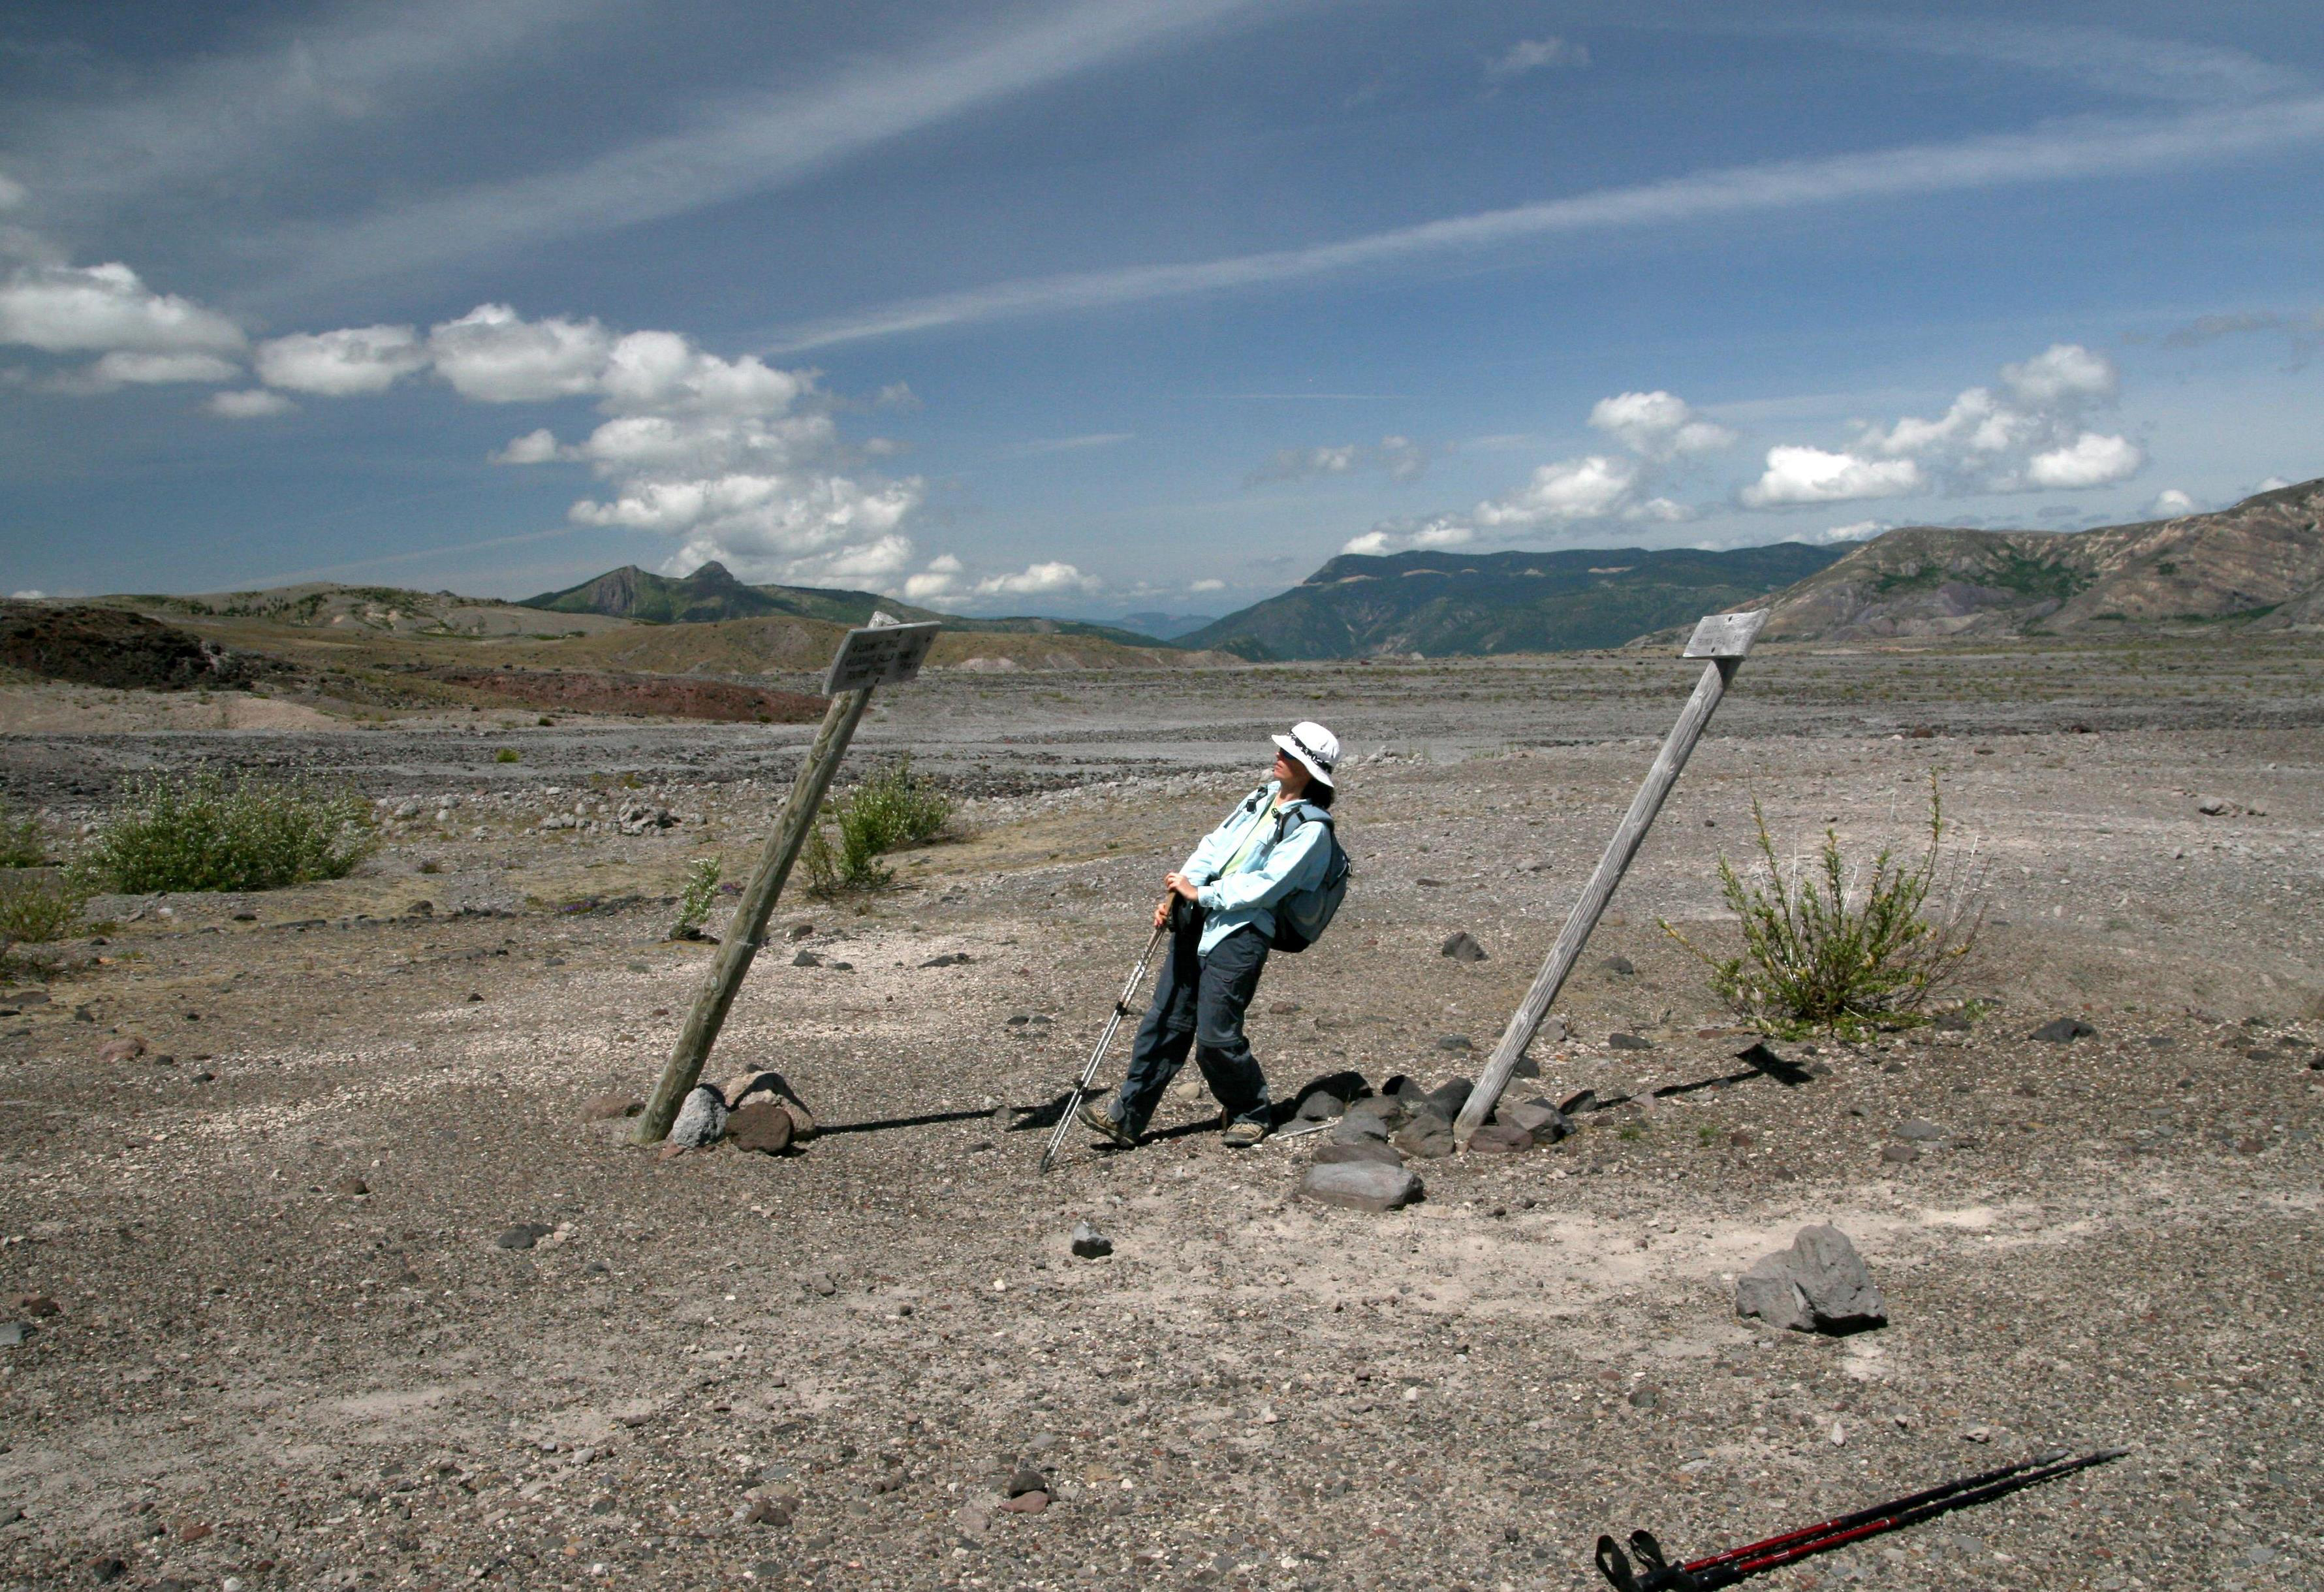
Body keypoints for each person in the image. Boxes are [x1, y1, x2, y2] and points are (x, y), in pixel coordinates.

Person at [1078, 720, 1341, 1150]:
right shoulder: (1258, 799)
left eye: (1290, 754)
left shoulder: (1313, 830)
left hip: (1242, 934)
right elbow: (1213, 847)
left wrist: (1201, 893)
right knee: (1163, 1022)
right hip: (1199, 918)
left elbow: (1266, 886)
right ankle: (1126, 1118)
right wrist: (1180, 894)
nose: (1279, 756)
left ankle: (1251, 1112)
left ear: (1310, 770)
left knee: (1216, 1036)